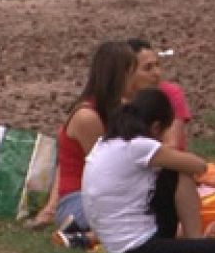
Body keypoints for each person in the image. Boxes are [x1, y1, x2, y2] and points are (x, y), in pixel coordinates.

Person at [82, 88, 215, 253]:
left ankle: (195, 246)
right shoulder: (139, 146)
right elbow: (198, 166)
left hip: (116, 244)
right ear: (156, 128)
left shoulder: (105, 143)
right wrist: (169, 151)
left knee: (172, 171)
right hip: (136, 249)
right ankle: (196, 243)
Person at [28, 40, 136, 230]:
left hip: (98, 196)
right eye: (133, 72)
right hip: (78, 201)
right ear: (121, 75)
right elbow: (111, 168)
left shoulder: (116, 108)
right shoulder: (88, 117)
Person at [127, 39, 191, 149]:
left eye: (157, 65)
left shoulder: (170, 93)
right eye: (147, 68)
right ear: (127, 73)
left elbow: (172, 145)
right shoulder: (115, 100)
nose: (157, 73)